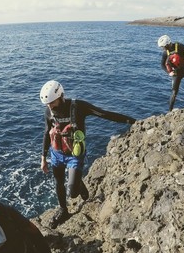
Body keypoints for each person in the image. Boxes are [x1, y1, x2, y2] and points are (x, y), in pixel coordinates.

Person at [40, 80, 136, 229]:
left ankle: (78, 182)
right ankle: (63, 210)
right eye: (47, 104)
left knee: (73, 193)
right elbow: (47, 132)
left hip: (74, 154)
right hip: (56, 153)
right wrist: (43, 158)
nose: (49, 106)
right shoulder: (49, 111)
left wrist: (131, 121)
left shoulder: (78, 107)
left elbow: (104, 114)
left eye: (52, 102)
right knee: (58, 182)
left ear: (61, 96)